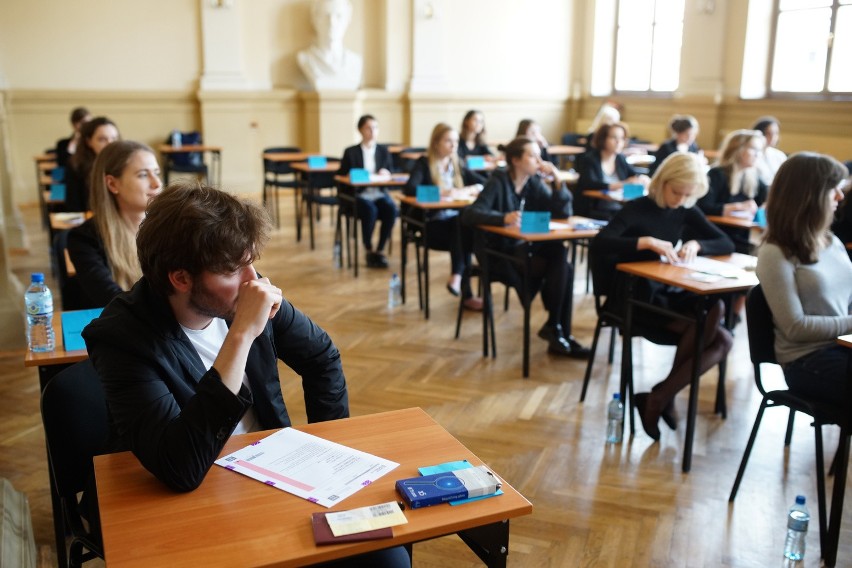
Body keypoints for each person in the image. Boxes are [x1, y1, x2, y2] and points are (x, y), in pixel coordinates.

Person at [590, 153, 735, 440]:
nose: (680, 200)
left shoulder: (685, 209)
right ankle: (660, 398)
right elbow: (600, 243)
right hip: (633, 296)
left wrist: (696, 243)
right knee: (719, 336)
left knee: (716, 310)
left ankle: (661, 395)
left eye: (687, 195)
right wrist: (644, 242)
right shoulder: (636, 208)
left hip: (663, 291)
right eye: (676, 192)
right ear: (662, 182)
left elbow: (725, 241)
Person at [462, 137, 590, 359]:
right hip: (500, 253)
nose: (538, 161)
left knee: (561, 257)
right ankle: (557, 330)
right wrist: (504, 218)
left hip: (525, 249)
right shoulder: (499, 181)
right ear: (516, 160)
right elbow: (471, 213)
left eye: (539, 155)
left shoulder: (533, 184)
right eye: (532, 155)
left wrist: (558, 183)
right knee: (564, 267)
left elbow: (562, 214)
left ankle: (555, 328)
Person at [757, 152, 852, 406]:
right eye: (834, 190)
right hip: (807, 360)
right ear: (811, 196)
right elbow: (795, 327)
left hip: (841, 348)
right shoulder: (774, 252)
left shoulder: (831, 241)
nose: (841, 197)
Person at [67, 141, 162, 308]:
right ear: (112, 184)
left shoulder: (170, 228)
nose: (157, 184)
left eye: (157, 173)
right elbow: (111, 299)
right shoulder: (84, 239)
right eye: (143, 175)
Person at [405, 123, 485, 310]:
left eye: (456, 141)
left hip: (455, 228)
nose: (453, 145)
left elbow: (486, 184)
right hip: (431, 225)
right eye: (448, 141)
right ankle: (464, 289)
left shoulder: (457, 164)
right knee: (464, 228)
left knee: (465, 227)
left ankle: (460, 281)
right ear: (436, 143)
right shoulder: (424, 163)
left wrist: (473, 188)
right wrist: (442, 192)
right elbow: (410, 189)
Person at [337, 115, 397, 268]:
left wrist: (387, 173)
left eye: (375, 128)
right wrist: (348, 176)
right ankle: (369, 248)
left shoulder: (383, 151)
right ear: (360, 130)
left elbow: (391, 172)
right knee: (370, 210)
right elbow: (341, 175)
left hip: (379, 192)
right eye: (368, 128)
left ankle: (380, 249)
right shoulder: (351, 152)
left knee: (391, 209)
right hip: (360, 194)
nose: (372, 132)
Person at [696, 129, 767, 254]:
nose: (757, 154)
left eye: (759, 151)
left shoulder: (755, 178)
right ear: (737, 150)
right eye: (753, 149)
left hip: (741, 235)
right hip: (716, 235)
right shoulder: (717, 174)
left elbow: (765, 203)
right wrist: (737, 207)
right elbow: (703, 207)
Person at [576, 122, 649, 220]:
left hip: (619, 209)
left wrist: (642, 178)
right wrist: (621, 184)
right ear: (603, 139)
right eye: (614, 138)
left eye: (622, 138)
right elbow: (589, 184)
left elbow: (633, 176)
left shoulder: (620, 159)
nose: (618, 142)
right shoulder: (590, 159)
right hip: (596, 211)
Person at [297, 0, 363, 90]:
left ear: (348, 19)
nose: (332, 23)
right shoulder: (305, 58)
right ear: (314, 19)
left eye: (338, 16)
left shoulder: (355, 62)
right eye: (326, 16)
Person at [65, 116, 120, 212]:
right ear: (89, 142)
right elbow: (74, 206)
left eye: (114, 138)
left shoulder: (124, 164)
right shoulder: (76, 166)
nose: (110, 144)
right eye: (102, 139)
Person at [752, 116, 787, 186]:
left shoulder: (780, 155)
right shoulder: (752, 155)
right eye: (768, 133)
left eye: (776, 133)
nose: (773, 137)